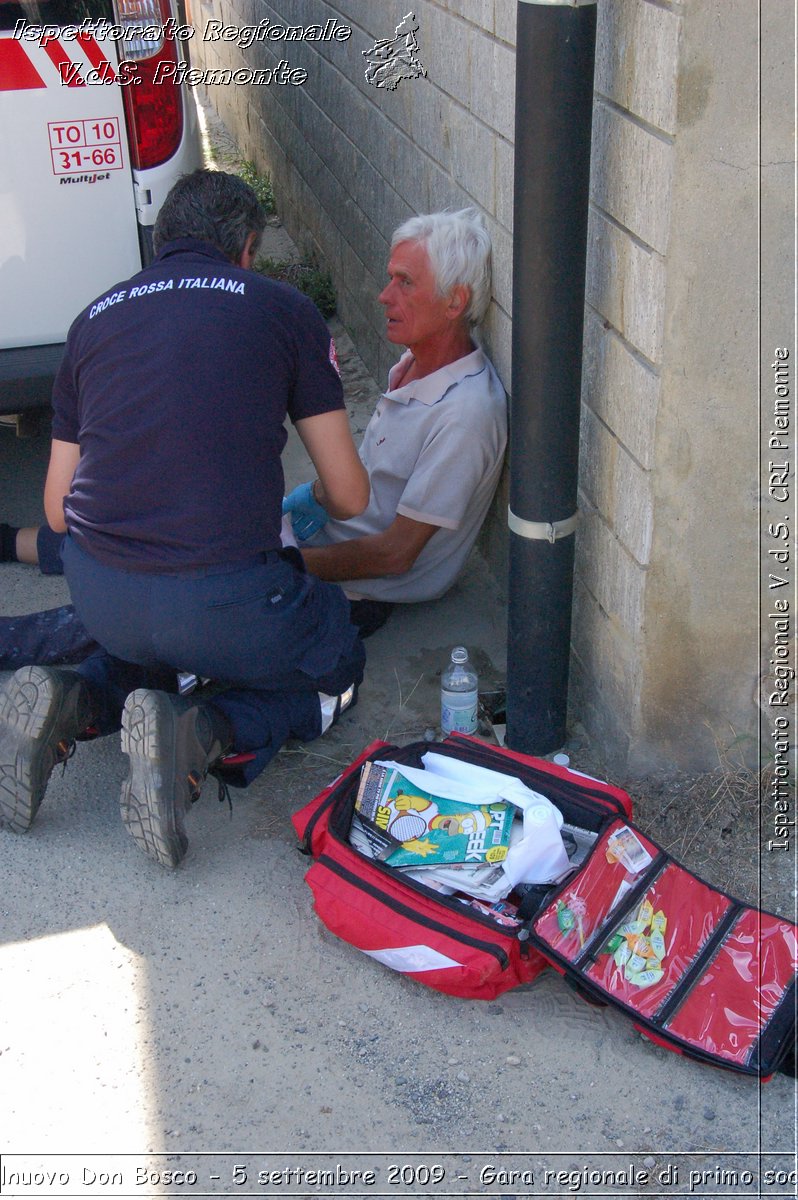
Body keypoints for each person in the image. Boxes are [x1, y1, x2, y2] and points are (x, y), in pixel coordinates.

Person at [0, 168, 369, 868]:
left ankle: (72, 699)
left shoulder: (92, 319)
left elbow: (56, 509)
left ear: (161, 243)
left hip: (103, 598)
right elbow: (349, 496)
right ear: (249, 249)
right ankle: (206, 731)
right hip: (223, 599)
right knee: (336, 657)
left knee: (160, 651)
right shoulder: (283, 309)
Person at [1, 207, 507, 651]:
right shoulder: (415, 365)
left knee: (172, 590)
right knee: (138, 534)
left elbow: (396, 555)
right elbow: (368, 484)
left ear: (455, 301)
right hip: (324, 537)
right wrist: (308, 501)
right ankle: (10, 543)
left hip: (359, 587)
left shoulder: (465, 413)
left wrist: (280, 566)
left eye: (404, 282)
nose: (383, 295)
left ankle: (18, 643)